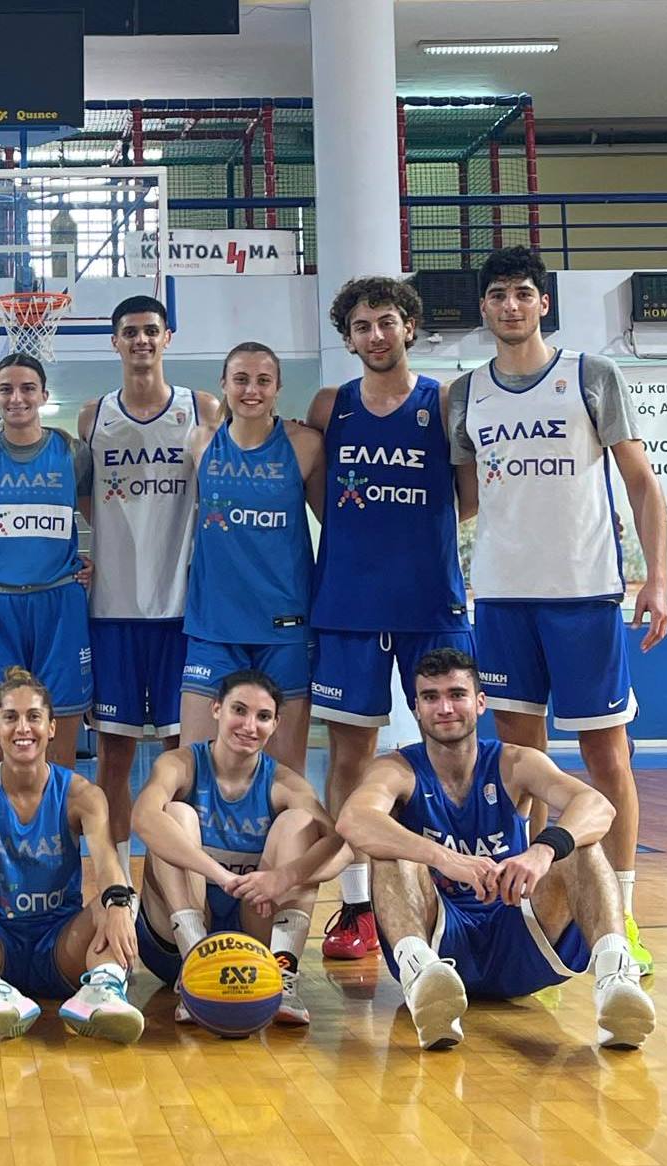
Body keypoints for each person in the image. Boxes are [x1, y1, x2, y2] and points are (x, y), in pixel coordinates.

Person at [446, 246, 667, 975]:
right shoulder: (466, 394)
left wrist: (656, 578)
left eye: (523, 293)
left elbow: (642, 484)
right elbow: (465, 500)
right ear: (483, 308)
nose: (510, 305)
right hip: (503, 597)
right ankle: (532, 909)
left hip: (584, 595)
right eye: (498, 295)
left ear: (544, 302)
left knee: (607, 758)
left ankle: (621, 918)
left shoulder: (591, 375)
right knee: (524, 763)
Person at [334, 648, 654, 1051]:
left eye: (457, 694)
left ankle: (617, 983)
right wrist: (445, 859)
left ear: (480, 702)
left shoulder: (515, 762)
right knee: (391, 849)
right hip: (440, 937)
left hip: (519, 929)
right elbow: (353, 820)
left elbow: (597, 805)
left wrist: (542, 851)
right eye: (431, 697)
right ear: (416, 708)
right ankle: (424, 984)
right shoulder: (397, 768)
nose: (445, 708)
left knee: (580, 848)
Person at [304, 276, 473, 961]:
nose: (375, 335)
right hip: (348, 606)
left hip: (430, 603)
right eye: (362, 326)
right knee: (349, 755)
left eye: (386, 322)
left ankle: (460, 892)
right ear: (348, 339)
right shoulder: (331, 405)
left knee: (451, 747)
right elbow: (322, 498)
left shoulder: (445, 401)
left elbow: (466, 498)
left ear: (410, 326)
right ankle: (356, 906)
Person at [0, 667, 143, 1046]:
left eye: (33, 717)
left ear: (51, 727)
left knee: (116, 898)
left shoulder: (82, 794)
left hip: (60, 942)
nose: (22, 728)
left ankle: (102, 988)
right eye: (10, 718)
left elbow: (107, 861)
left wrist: (118, 906)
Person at [78, 296, 213, 882]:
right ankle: (118, 883)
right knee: (114, 756)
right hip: (112, 611)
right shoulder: (93, 416)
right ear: (115, 342)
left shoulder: (200, 408)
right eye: (130, 331)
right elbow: (84, 500)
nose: (141, 340)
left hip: (182, 611)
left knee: (180, 757)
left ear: (167, 338)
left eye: (151, 331)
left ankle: (173, 880)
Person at [133, 670, 348, 1026]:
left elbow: (341, 846)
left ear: (275, 724)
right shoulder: (181, 764)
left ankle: (282, 974)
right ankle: (195, 968)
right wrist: (219, 874)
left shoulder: (285, 782)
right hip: (172, 939)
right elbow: (142, 817)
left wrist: (284, 877)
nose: (250, 726)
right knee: (176, 814)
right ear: (217, 709)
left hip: (251, 936)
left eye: (263, 716)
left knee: (299, 823)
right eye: (239, 710)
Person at [181, 343, 324, 776]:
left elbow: (335, 525)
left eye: (263, 380)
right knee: (196, 766)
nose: (251, 390)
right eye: (241, 379)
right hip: (214, 625)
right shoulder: (202, 441)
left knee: (284, 772)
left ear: (278, 387)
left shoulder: (305, 444)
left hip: (284, 626)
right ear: (223, 385)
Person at [0, 354, 93, 766]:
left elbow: (100, 518)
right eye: (6, 389)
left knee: (60, 746)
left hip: (59, 603)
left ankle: (57, 812)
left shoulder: (73, 452)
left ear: (44, 395)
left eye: (27, 388)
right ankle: (0, 812)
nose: (16, 398)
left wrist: (101, 562)